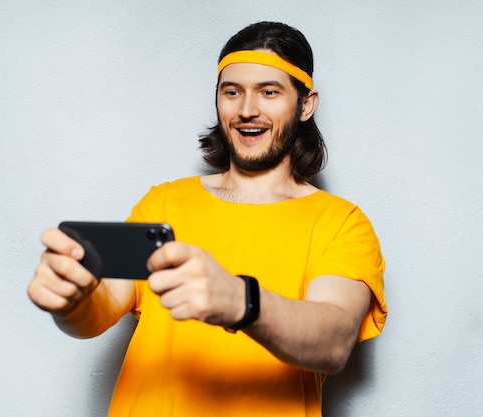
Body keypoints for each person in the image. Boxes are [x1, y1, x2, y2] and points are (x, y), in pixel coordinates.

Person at [28, 21, 387, 417]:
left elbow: (333, 343)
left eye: (269, 92)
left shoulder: (341, 222)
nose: (247, 109)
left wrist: (239, 300)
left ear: (305, 104)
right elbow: (100, 309)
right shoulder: (164, 203)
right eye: (232, 92)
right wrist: (71, 300)